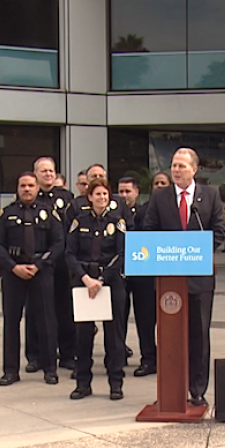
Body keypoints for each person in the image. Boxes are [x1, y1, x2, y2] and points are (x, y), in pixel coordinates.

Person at [143, 147, 225, 406]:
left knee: (199, 335)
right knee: (170, 334)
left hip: (199, 278)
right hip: (169, 279)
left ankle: (197, 389)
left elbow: (220, 232)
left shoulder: (210, 196)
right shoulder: (160, 197)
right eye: (174, 165)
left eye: (181, 165)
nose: (176, 170)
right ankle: (170, 388)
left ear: (194, 169)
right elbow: (149, 229)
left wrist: (194, 251)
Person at [0, 172, 63, 386]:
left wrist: (40, 265)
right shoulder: (6, 214)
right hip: (13, 273)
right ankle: (10, 371)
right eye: (23, 185)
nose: (27, 189)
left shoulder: (48, 213)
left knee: (46, 322)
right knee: (11, 322)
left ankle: (50, 369)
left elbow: (59, 243)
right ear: (17, 188)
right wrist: (13, 267)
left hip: (40, 272)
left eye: (31, 185)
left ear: (37, 187)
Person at [65, 178, 128, 400]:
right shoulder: (78, 221)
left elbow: (122, 253)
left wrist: (100, 279)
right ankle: (83, 383)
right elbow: (69, 254)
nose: (102, 198)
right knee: (83, 336)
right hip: (84, 282)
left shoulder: (117, 221)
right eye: (97, 194)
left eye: (105, 194)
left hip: (109, 282)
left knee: (114, 336)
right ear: (89, 197)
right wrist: (85, 278)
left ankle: (115, 383)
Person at [28, 157, 76, 374]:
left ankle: (67, 354)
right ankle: (36, 356)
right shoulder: (29, 196)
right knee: (35, 310)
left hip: (62, 262)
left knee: (65, 309)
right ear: (35, 174)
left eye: (51, 171)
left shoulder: (67, 198)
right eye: (43, 171)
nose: (48, 174)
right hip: (38, 263)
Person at [119, 176, 157, 376]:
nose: (124, 195)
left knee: (145, 318)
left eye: (128, 191)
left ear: (137, 192)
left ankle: (149, 359)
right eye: (121, 191)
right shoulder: (115, 213)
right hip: (120, 273)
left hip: (142, 273)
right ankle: (119, 355)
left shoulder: (146, 213)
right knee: (119, 317)